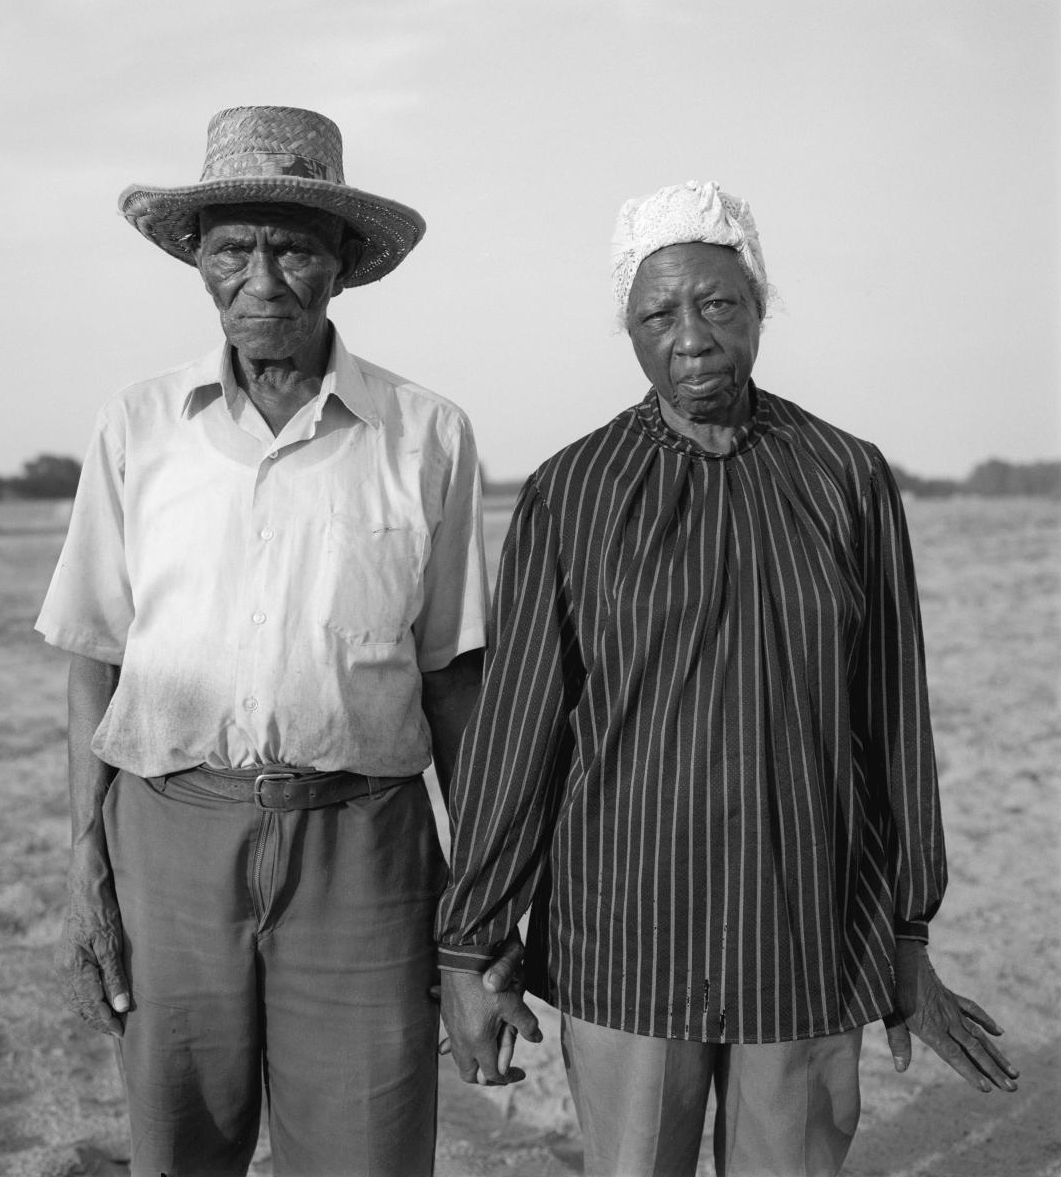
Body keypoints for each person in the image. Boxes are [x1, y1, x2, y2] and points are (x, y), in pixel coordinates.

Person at [435, 181, 1019, 1177]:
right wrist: (470, 946)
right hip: (628, 936)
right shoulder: (571, 492)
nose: (693, 335)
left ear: (760, 306)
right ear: (627, 329)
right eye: (659, 312)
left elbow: (892, 716)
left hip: (806, 932)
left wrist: (907, 940)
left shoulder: (848, 477)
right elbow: (520, 728)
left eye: (719, 303)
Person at [37, 105, 494, 1177]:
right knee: (180, 1144)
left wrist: (477, 893)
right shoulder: (138, 426)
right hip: (169, 842)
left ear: (341, 265)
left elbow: (454, 678)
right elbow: (94, 658)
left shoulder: (426, 434)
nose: (262, 279)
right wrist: (85, 862)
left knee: (368, 1151)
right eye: (232, 248)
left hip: (365, 853)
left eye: (293, 248)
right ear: (197, 262)